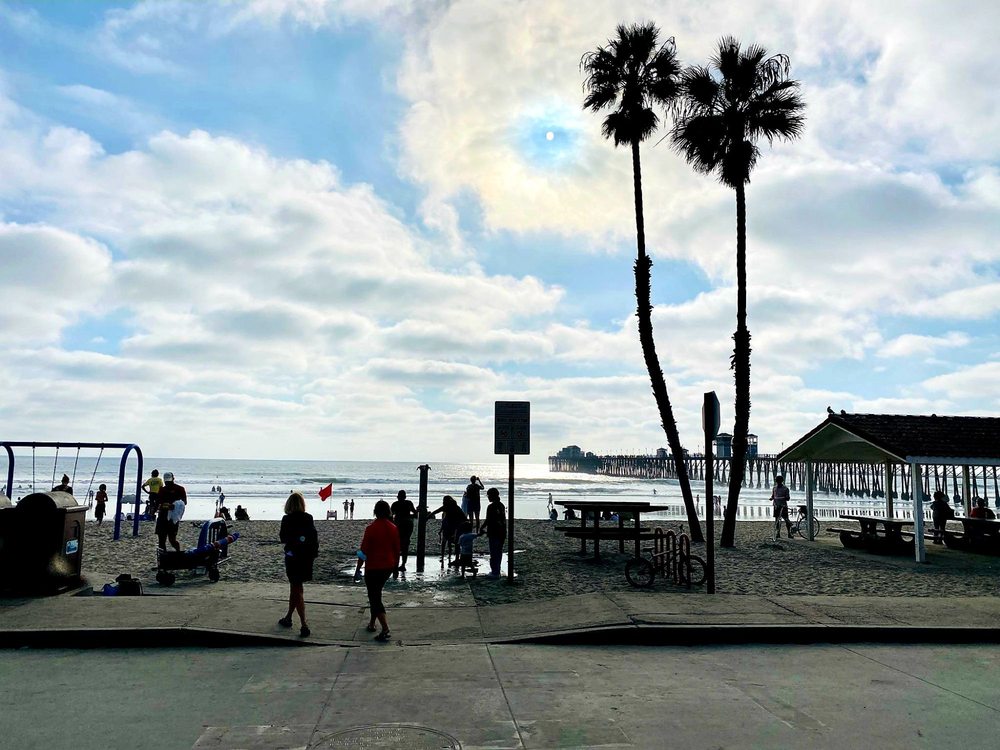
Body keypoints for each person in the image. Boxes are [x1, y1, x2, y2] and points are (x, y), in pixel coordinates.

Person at [278, 491, 317, 638]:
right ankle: (288, 617)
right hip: (306, 557)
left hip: (293, 557)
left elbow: (283, 538)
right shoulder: (308, 518)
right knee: (296, 588)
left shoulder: (287, 519)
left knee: (296, 589)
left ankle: (303, 624)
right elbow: (313, 537)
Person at [360, 500, 399, 641]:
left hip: (373, 567)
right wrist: (396, 567)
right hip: (388, 566)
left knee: (374, 597)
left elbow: (363, 552)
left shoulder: (371, 529)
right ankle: (372, 623)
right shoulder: (393, 528)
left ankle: (385, 628)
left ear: (375, 512)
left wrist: (358, 568)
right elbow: (397, 550)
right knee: (376, 594)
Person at [430, 495, 467, 564]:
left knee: (444, 542)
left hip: (448, 527)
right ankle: (457, 558)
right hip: (456, 527)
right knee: (456, 543)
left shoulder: (446, 507)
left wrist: (427, 517)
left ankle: (443, 556)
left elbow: (436, 511)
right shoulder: (456, 507)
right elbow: (464, 517)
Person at [479, 487, 506, 579]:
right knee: (498, 552)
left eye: (488, 495)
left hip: (494, 532)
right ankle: (497, 570)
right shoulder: (501, 505)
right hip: (502, 531)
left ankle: (495, 572)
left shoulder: (491, 507)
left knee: (494, 552)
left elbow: (488, 520)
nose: (488, 497)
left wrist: (482, 527)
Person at [155, 472, 187, 552]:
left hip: (173, 518)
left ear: (173, 479)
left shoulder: (179, 489)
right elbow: (158, 503)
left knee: (172, 539)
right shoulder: (162, 490)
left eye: (168, 481)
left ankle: (178, 552)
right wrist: (164, 506)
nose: (167, 483)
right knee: (162, 540)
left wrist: (175, 505)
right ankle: (164, 556)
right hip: (163, 516)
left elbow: (184, 502)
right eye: (166, 481)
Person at [390, 490, 417, 575]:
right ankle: (403, 564)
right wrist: (409, 516)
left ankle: (396, 564)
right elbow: (415, 514)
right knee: (405, 545)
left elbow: (390, 516)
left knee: (397, 544)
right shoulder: (408, 503)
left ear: (398, 497)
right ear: (405, 497)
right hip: (408, 525)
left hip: (398, 524)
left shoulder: (395, 504)